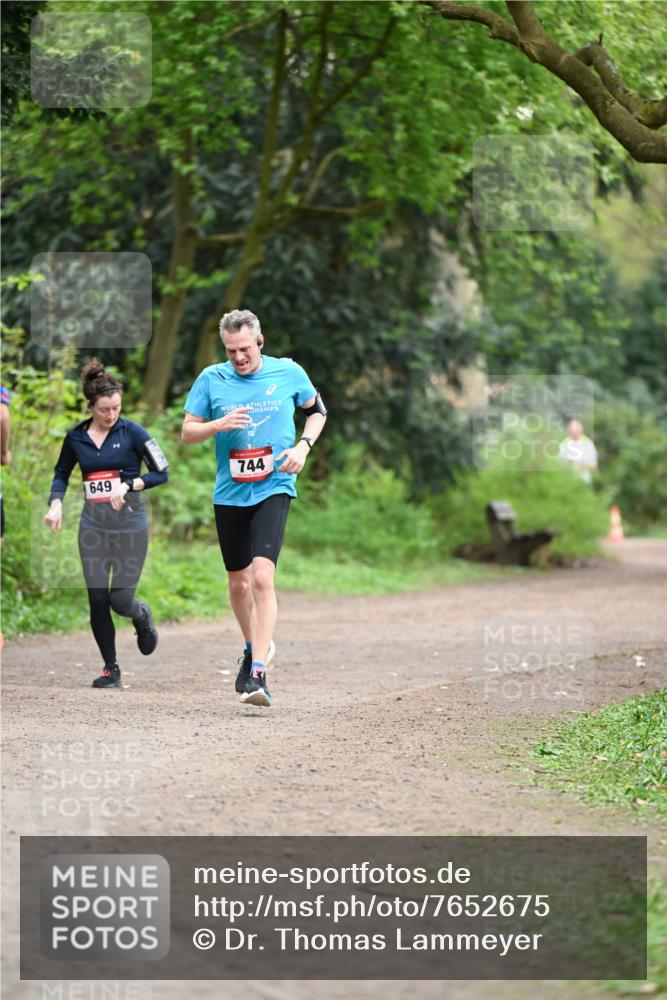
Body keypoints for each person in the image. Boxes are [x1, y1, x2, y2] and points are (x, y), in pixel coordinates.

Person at [181, 309, 326, 708]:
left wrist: (302, 447)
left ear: (259, 342)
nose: (239, 358)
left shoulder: (288, 373)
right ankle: (251, 646)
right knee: (238, 583)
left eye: (244, 349)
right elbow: (187, 432)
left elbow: (317, 411)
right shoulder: (212, 379)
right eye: (231, 351)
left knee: (262, 578)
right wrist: (217, 425)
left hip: (274, 485)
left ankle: (259, 673)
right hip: (229, 492)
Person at [44, 360, 168, 688]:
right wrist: (55, 503)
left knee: (120, 600)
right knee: (98, 599)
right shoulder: (76, 438)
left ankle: (142, 617)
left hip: (130, 528)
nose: (111, 415)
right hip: (93, 529)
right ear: (90, 407)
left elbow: (161, 471)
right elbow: (60, 473)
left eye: (116, 408)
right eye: (103, 410)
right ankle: (110, 668)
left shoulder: (134, 433)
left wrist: (130, 485)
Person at [558, 419, 598, 484]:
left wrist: (580, 464)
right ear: (568, 432)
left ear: (581, 431)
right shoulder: (564, 445)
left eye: (577, 431)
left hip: (585, 480)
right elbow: (560, 466)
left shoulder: (588, 444)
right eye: (573, 432)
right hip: (568, 481)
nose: (575, 434)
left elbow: (594, 466)